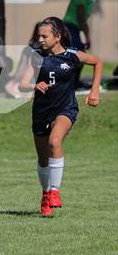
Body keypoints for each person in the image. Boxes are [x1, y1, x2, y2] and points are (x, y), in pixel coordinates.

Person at [19, 17, 102, 216]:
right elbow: (22, 84)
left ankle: (55, 191)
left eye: (44, 35)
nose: (40, 39)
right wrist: (34, 85)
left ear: (57, 37)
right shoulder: (36, 57)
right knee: (43, 159)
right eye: (39, 35)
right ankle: (46, 193)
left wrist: (94, 92)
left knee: (55, 142)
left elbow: (98, 62)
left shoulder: (72, 55)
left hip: (65, 109)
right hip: (41, 111)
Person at [63, 0, 100, 90]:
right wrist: (88, 36)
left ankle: (73, 83)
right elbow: (80, 14)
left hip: (75, 28)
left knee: (78, 56)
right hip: (69, 27)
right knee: (77, 56)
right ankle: (70, 84)